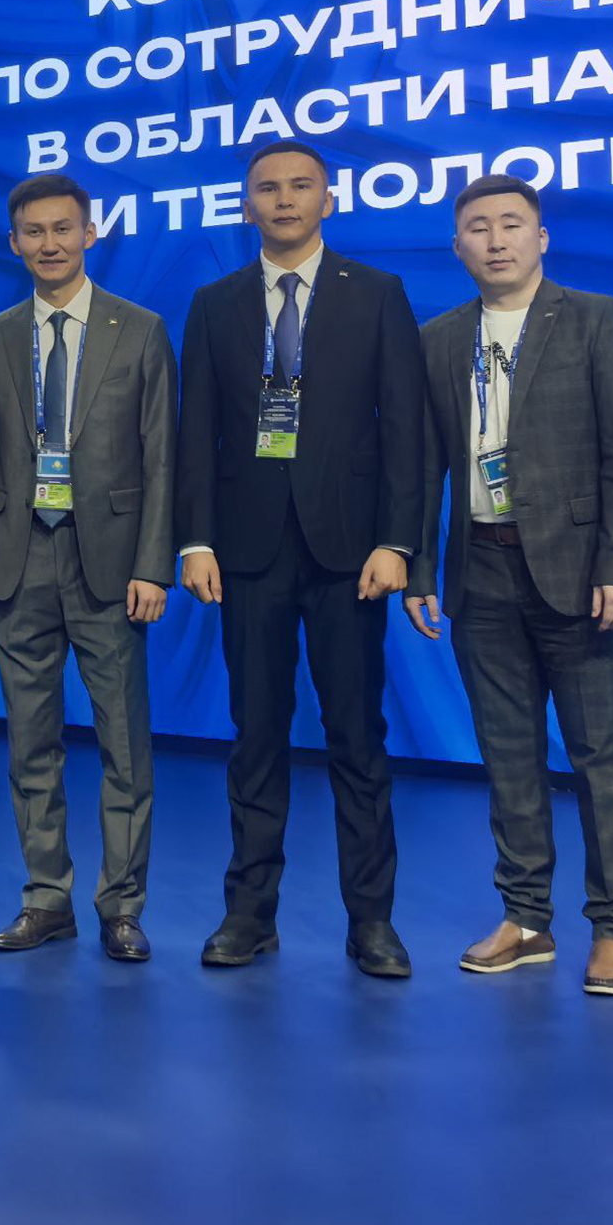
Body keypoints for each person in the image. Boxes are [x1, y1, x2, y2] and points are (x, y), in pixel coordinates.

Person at [403, 175, 613, 997]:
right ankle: (525, 918)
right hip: (480, 571)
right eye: (478, 228)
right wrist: (417, 566)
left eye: (512, 224)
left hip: (579, 575)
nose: (497, 239)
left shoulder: (596, 319)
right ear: (458, 248)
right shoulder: (440, 338)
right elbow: (423, 465)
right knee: (508, 758)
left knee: (601, 759)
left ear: (541, 238)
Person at [175, 143, 422, 978]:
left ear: (329, 199)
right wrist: (196, 539)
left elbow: (404, 429)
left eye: (301, 186)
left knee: (357, 738)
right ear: (246, 205)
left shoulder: (377, 293)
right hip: (246, 551)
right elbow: (195, 432)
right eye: (267, 188)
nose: (284, 200)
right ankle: (249, 915)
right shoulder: (213, 303)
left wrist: (397, 541)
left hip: (352, 554)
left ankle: (372, 922)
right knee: (256, 736)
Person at [0, 173, 175, 962]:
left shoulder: (140, 329)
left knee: (125, 746)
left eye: (62, 229)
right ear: (14, 243)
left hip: (112, 569)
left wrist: (154, 566)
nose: (49, 244)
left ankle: (122, 906)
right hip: (17, 565)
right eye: (33, 232)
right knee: (30, 745)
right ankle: (46, 899)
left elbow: (162, 458)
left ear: (90, 234)